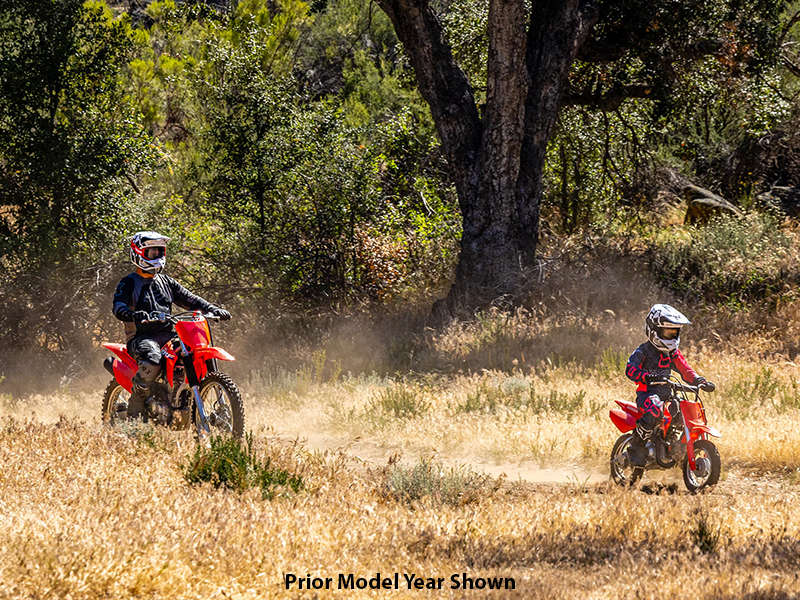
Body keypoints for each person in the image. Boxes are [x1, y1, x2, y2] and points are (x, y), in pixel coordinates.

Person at [112, 231, 231, 418]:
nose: (158, 256)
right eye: (153, 252)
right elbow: (118, 307)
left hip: (168, 335)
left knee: (190, 352)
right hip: (141, 338)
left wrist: (213, 309)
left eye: (161, 252)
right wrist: (134, 315)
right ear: (139, 253)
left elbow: (191, 299)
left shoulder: (166, 281)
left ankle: (179, 398)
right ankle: (134, 410)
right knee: (152, 358)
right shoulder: (128, 283)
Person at [624, 303, 715, 467]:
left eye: (675, 333)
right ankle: (636, 448)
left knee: (684, 411)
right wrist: (646, 376)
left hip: (668, 393)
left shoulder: (672, 353)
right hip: (648, 393)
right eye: (667, 333)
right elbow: (630, 369)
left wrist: (698, 380)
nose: (672, 337)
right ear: (654, 330)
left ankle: (678, 448)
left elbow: (684, 369)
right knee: (655, 410)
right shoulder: (643, 351)